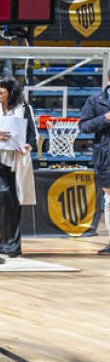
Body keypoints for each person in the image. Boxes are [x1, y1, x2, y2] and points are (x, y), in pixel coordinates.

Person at [0, 75, 37, 258]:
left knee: (13, 203)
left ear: (10, 90)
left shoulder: (24, 108)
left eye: (0, 88)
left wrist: (27, 146)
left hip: (17, 161)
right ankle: (9, 245)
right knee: (4, 198)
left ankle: (10, 245)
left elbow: (32, 135)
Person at [78, 85, 110, 255]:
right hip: (106, 157)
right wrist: (105, 118)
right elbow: (84, 126)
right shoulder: (95, 100)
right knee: (109, 200)